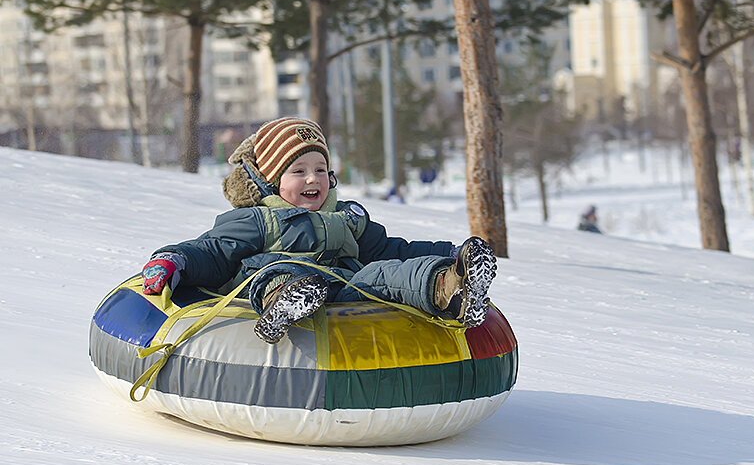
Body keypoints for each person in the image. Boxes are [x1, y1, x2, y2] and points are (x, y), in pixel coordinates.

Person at [140, 117, 497, 344]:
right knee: (274, 268)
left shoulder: (348, 217)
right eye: (298, 171)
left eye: (321, 168)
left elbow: (391, 248)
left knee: (384, 272)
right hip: (284, 278)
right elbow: (213, 251)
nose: (313, 179)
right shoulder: (257, 219)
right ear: (270, 181)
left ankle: (451, 288)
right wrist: (174, 260)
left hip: (345, 286)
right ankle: (285, 303)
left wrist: (448, 254)